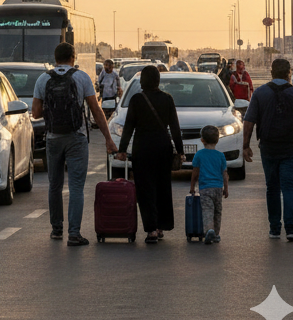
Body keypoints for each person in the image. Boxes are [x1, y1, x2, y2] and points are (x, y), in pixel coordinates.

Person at [32, 43, 117, 246]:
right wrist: (108, 139)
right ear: (73, 57)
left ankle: (56, 229)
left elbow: (35, 113)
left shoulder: (43, 79)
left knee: (54, 185)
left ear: (55, 58)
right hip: (76, 137)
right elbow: (96, 110)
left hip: (53, 137)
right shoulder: (82, 77)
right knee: (76, 187)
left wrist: (53, 110)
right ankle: (74, 233)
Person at [243, 58, 293, 241]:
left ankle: (275, 229)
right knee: (289, 187)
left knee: (272, 188)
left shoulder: (260, 93)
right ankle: (291, 229)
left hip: (269, 148)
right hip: (291, 149)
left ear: (271, 73)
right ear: (289, 73)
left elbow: (249, 121)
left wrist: (246, 145)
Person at [114, 64, 184, 243]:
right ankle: (161, 226)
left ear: (142, 82)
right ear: (158, 81)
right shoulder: (167, 99)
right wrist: (180, 151)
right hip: (163, 147)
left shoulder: (137, 100)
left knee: (145, 189)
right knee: (163, 187)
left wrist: (122, 150)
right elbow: (175, 127)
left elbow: (129, 126)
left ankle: (151, 230)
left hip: (143, 148)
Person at [189, 125, 229, 245]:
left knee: (207, 210)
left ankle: (209, 230)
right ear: (217, 140)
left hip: (205, 188)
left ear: (202, 140)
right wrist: (226, 188)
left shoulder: (199, 155)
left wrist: (192, 187)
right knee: (217, 211)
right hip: (218, 188)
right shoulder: (220, 156)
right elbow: (225, 174)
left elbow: (195, 173)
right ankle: (216, 234)